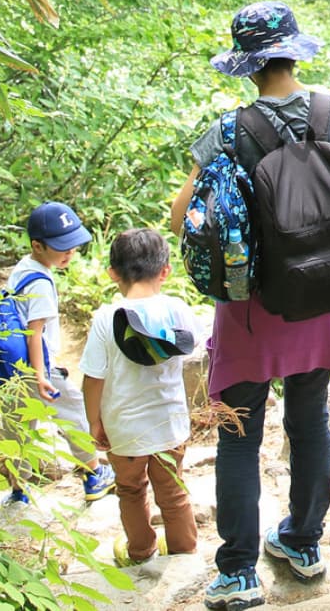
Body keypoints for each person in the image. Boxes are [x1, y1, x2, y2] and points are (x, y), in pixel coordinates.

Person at [169, 2, 330, 611]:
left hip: (252, 305)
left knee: (240, 436)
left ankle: (238, 573)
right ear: (295, 53)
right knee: (310, 417)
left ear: (247, 67)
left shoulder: (228, 129)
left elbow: (181, 218)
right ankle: (302, 543)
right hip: (325, 295)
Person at [81, 228, 202, 568]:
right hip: (169, 425)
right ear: (165, 271)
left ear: (113, 273)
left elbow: (93, 378)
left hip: (124, 428)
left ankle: (141, 551)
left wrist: (94, 420)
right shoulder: (178, 310)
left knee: (131, 491)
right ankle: (183, 551)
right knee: (173, 492)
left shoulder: (107, 318)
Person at [3, 201, 114, 507]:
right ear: (37, 246)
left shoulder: (24, 269)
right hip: (37, 369)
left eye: (73, 246)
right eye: (62, 247)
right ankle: (94, 474)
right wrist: (42, 375)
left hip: (15, 368)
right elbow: (34, 331)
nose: (70, 253)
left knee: (20, 428)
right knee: (73, 415)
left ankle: (18, 491)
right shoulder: (41, 282)